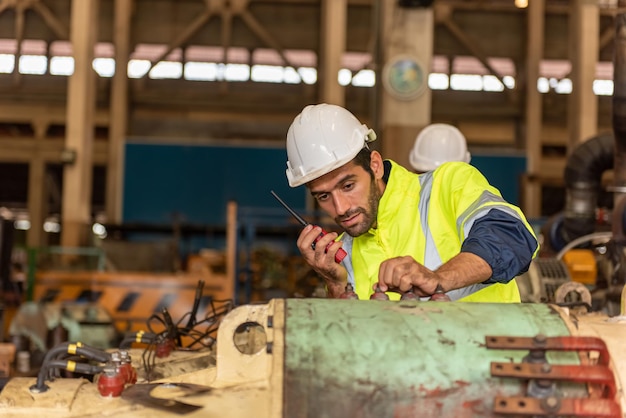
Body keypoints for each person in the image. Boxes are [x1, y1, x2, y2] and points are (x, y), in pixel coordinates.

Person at [284, 103, 539, 302]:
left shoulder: (446, 185)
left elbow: (512, 237)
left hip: (489, 365)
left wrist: (438, 278)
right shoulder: (339, 257)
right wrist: (336, 284)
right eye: (324, 196)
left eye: (348, 186)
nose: (340, 208)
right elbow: (351, 342)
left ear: (374, 166)